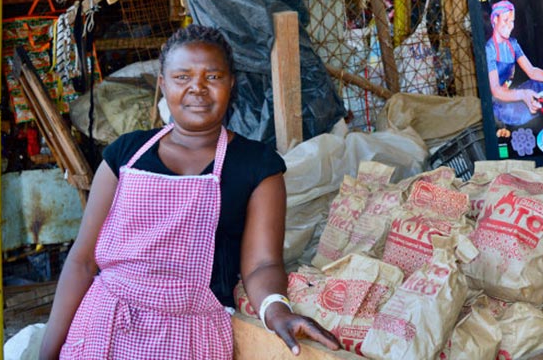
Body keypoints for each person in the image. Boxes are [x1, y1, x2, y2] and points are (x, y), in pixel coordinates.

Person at [39, 25, 340, 359]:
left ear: (231, 84)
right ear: (163, 84)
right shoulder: (125, 154)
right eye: (182, 77)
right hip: (104, 325)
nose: (197, 88)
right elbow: (83, 260)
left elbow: (262, 264)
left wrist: (276, 311)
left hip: (191, 335)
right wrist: (48, 351)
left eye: (213, 76)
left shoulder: (257, 165)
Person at [486, 0, 543, 131]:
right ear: (495, 19)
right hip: (496, 105)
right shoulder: (489, 49)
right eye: (506, 20)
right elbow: (495, 90)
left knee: (538, 87)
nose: (510, 25)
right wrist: (522, 95)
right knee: (539, 103)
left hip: (511, 95)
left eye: (512, 21)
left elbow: (532, 71)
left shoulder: (512, 44)